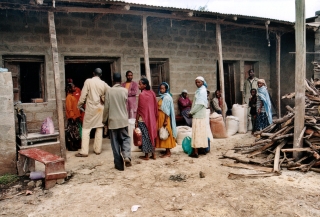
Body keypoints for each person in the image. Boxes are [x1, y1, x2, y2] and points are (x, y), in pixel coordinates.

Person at [76, 68, 110, 157]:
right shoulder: (103, 83)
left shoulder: (88, 81)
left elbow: (83, 95)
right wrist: (104, 99)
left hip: (91, 108)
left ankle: (84, 151)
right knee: (99, 128)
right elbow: (110, 92)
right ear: (101, 75)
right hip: (100, 109)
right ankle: (97, 150)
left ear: (93, 73)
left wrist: (79, 105)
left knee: (86, 129)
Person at [103, 73, 131, 171]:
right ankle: (127, 155)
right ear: (121, 79)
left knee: (115, 144)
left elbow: (106, 108)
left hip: (112, 121)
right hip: (123, 120)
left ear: (113, 79)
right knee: (125, 138)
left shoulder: (109, 91)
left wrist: (104, 120)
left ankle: (119, 165)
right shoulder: (125, 91)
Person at [135, 78, 158, 160]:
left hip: (143, 119)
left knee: (145, 137)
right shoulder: (152, 93)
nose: (138, 85)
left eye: (140, 84)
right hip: (151, 118)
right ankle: (154, 154)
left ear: (145, 85)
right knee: (151, 135)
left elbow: (140, 109)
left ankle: (146, 156)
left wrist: (136, 120)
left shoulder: (142, 95)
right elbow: (155, 106)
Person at [188, 76, 208, 158]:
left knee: (196, 133)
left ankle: (195, 152)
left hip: (198, 115)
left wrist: (191, 112)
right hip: (201, 115)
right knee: (202, 133)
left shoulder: (202, 91)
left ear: (203, 82)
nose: (197, 84)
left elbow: (199, 104)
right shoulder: (201, 90)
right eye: (196, 82)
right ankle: (202, 149)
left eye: (199, 82)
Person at [155, 82, 177, 158]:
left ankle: (168, 152)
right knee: (162, 133)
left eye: (163, 88)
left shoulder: (167, 97)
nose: (161, 90)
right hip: (160, 117)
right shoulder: (162, 97)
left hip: (164, 117)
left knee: (166, 133)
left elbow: (167, 111)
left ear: (166, 89)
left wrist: (165, 120)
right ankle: (166, 150)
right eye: (160, 88)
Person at [65, 83, 81, 151]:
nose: (75, 88)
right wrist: (72, 117)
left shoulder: (72, 96)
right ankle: (71, 147)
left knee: (75, 132)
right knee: (71, 133)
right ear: (69, 89)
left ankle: (75, 145)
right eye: (73, 87)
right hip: (72, 118)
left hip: (75, 117)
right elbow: (69, 109)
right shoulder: (69, 97)